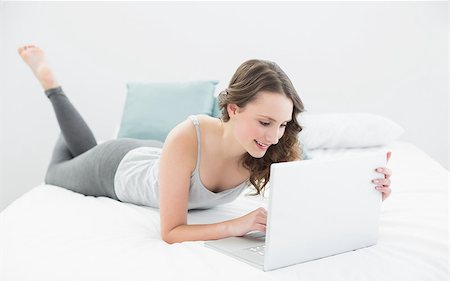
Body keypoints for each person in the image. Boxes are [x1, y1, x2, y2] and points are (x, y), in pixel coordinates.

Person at [18, 45, 392, 244]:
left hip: (161, 159)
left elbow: (312, 195)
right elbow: (171, 232)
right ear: (233, 108)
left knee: (81, 150)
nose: (274, 136)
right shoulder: (189, 132)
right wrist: (237, 225)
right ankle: (53, 88)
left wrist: (368, 191)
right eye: (264, 122)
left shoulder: (268, 147)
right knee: (56, 172)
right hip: (117, 168)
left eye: (281, 124)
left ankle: (64, 112)